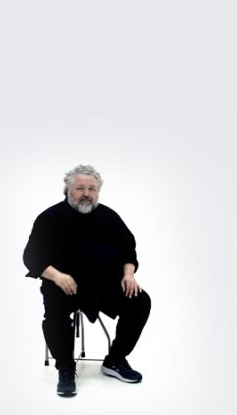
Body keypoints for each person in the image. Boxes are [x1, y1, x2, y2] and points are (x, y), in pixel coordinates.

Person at [23, 164, 152, 397]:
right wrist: (57, 276)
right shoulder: (49, 218)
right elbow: (32, 257)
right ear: (68, 190)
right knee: (55, 317)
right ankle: (65, 367)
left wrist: (128, 273)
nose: (86, 193)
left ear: (98, 192)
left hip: (104, 285)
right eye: (80, 188)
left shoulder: (109, 217)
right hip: (63, 286)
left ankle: (114, 360)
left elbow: (127, 249)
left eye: (92, 189)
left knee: (139, 301)